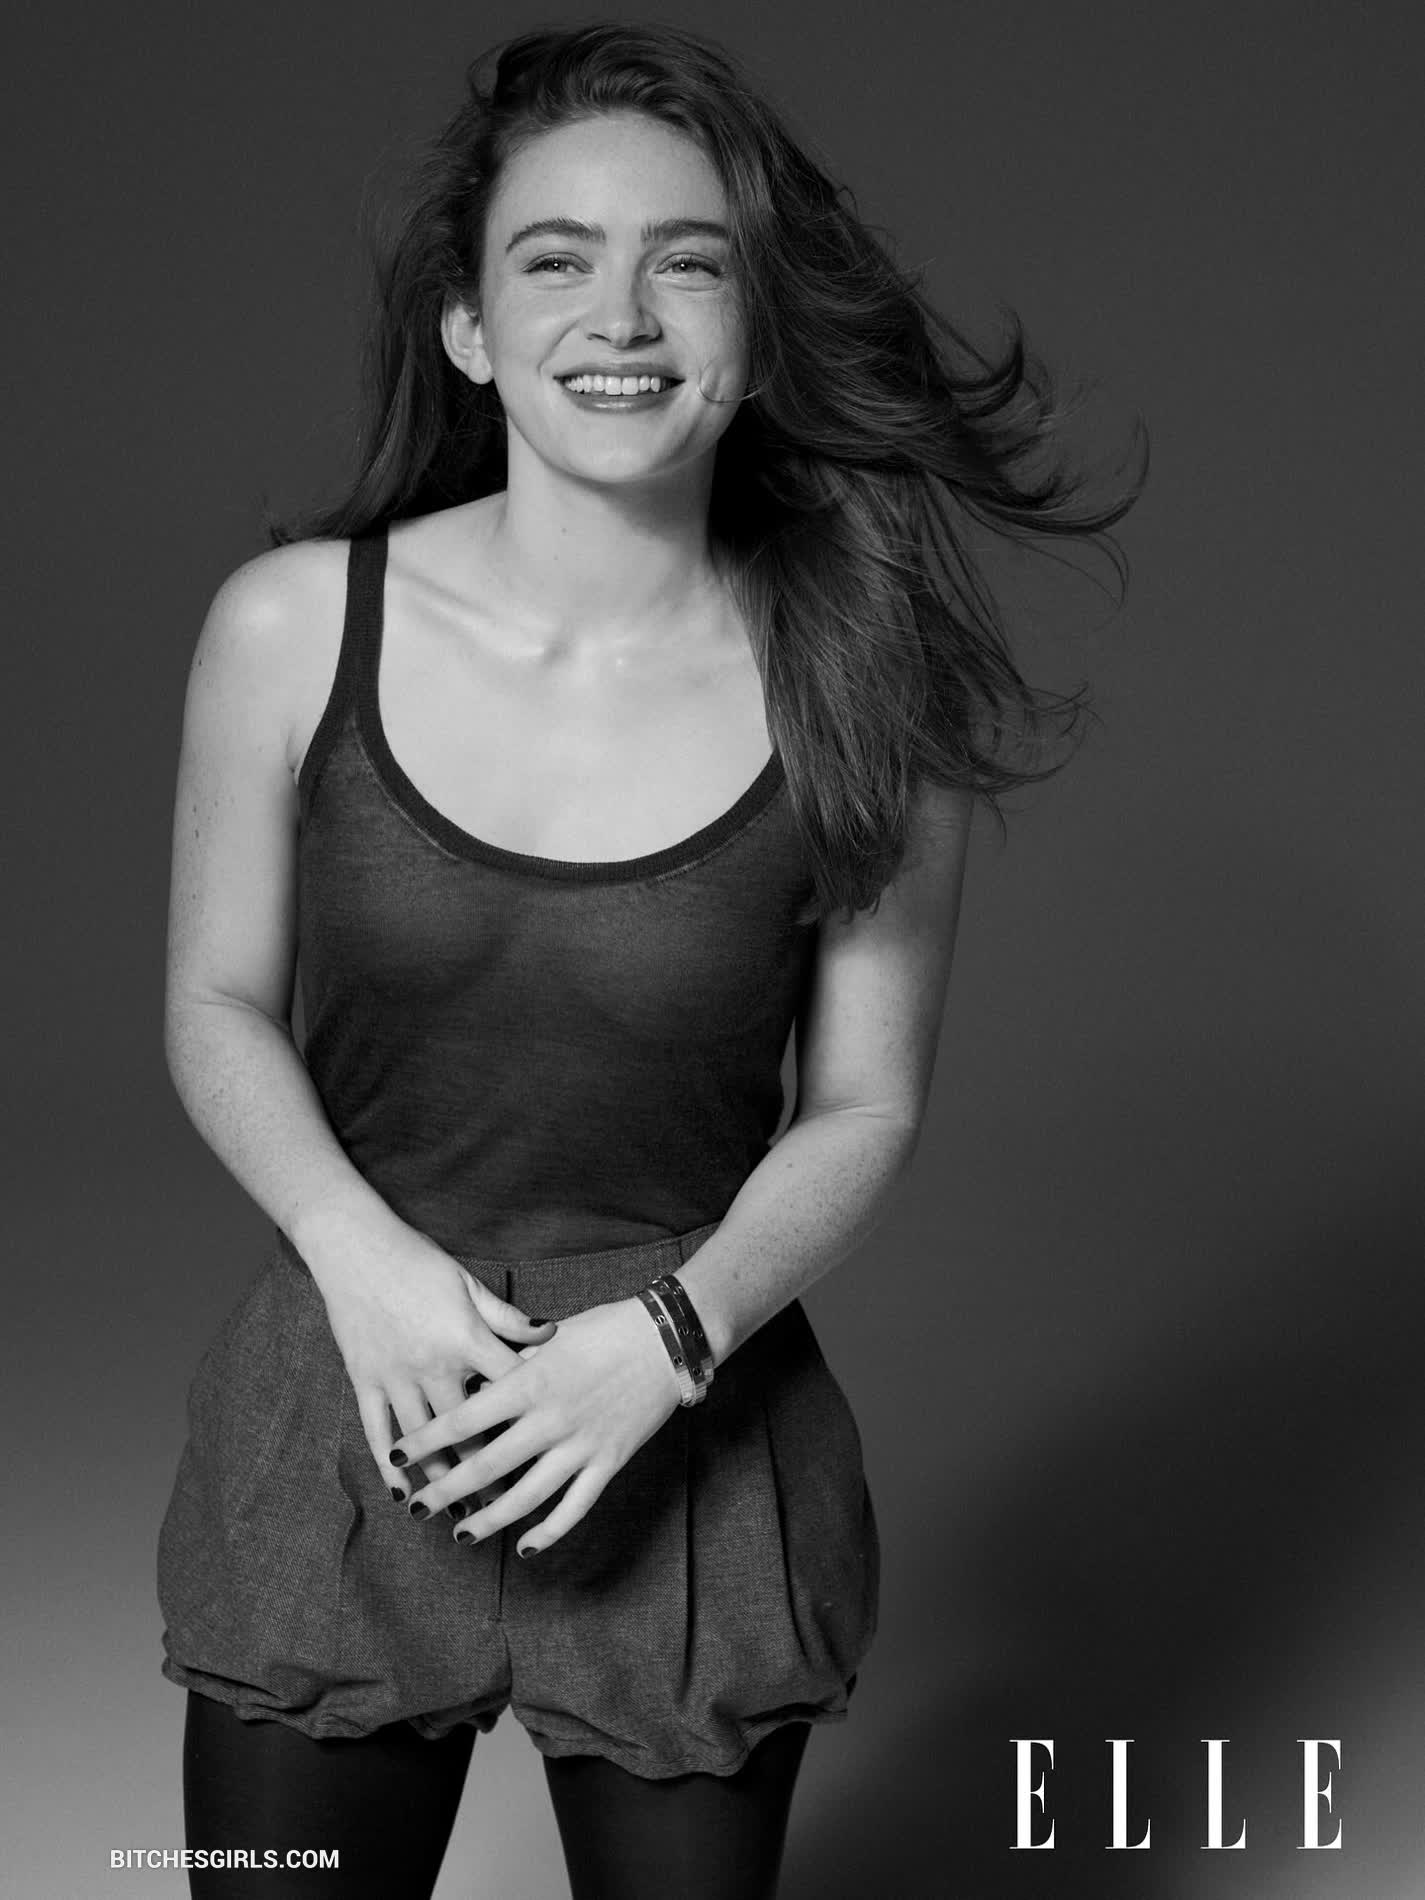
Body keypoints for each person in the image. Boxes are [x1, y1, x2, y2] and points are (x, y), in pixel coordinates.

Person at [156, 21, 1143, 1898]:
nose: (621, 317)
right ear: (469, 328)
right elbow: (214, 1005)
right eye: (556, 260)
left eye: (687, 263)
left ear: (756, 332)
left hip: (689, 1435)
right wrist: (362, 1262)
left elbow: (862, 1107)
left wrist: (670, 1341)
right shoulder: (289, 629)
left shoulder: (872, 687)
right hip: (355, 1400)